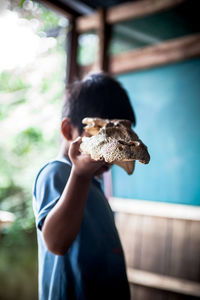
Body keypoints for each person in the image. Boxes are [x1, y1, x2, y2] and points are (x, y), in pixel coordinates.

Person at [33, 72, 136, 300]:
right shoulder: (57, 172)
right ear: (69, 131)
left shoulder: (94, 183)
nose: (111, 153)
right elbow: (56, 243)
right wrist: (79, 176)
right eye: (104, 137)